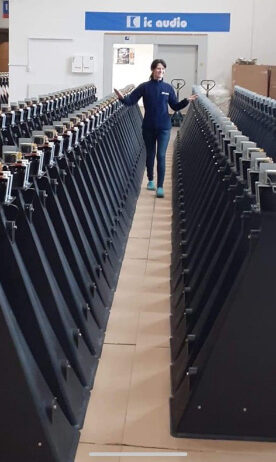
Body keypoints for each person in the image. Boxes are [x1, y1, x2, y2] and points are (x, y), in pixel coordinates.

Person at [114, 58, 197, 198]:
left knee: (161, 155)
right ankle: (151, 180)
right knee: (150, 154)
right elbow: (131, 101)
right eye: (158, 68)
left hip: (164, 127)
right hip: (148, 127)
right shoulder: (144, 87)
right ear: (153, 70)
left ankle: (160, 186)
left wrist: (186, 101)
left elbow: (175, 106)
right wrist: (121, 97)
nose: (161, 71)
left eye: (163, 69)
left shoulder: (168, 88)